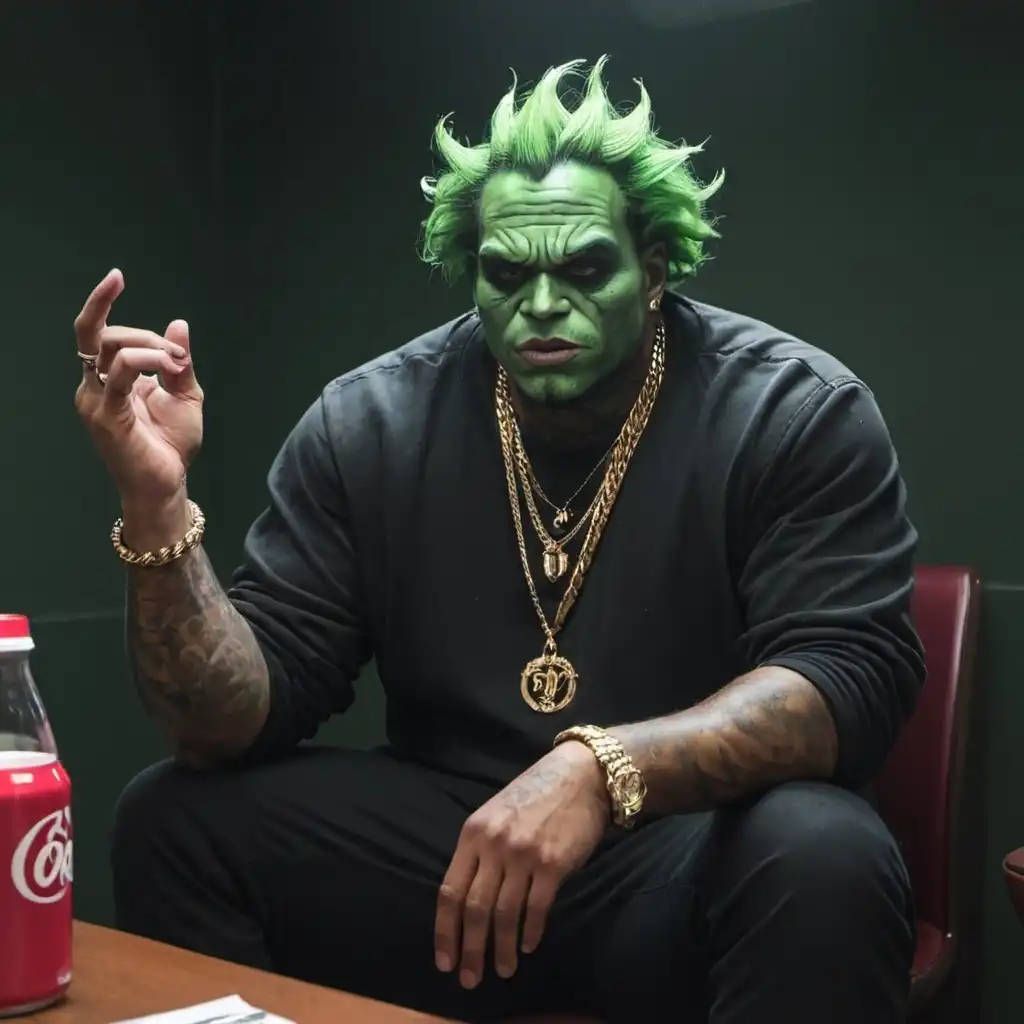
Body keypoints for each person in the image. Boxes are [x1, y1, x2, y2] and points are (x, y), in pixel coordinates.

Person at [74, 58, 924, 1023]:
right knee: (174, 819)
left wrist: (599, 769)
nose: (544, 303)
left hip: (678, 854)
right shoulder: (373, 422)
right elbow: (226, 723)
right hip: (451, 861)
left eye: (585, 269)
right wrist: (156, 504)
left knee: (827, 851)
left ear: (653, 271)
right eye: (509, 274)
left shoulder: (791, 411)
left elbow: (845, 678)